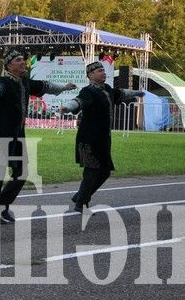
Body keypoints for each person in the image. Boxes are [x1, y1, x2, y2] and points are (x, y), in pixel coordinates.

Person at [0, 50, 76, 224]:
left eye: (23, 59)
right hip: (1, 134)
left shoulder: (25, 82)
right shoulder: (4, 81)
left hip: (18, 134)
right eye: (18, 60)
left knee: (22, 173)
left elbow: (46, 86)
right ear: (9, 65)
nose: (23, 62)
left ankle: (1, 205)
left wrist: (64, 87)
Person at [60, 61, 143, 213]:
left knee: (104, 172)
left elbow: (122, 94)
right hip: (88, 139)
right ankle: (81, 204)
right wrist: (67, 107)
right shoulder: (88, 91)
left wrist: (137, 93)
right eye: (99, 71)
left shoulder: (108, 90)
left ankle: (80, 196)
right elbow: (78, 101)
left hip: (103, 140)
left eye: (103, 70)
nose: (103, 73)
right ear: (90, 75)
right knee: (91, 172)